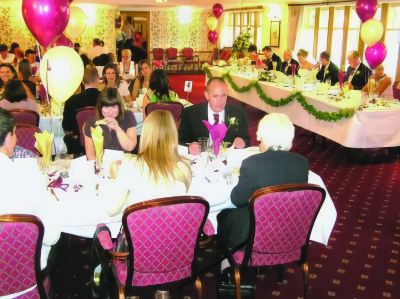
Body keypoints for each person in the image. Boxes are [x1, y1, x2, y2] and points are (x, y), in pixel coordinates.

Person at [217, 113, 309, 250]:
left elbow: (237, 199)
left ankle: (229, 262)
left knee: (223, 215)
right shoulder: (302, 163)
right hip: (291, 229)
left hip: (253, 233)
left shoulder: (252, 163)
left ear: (260, 135)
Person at [0, 108, 60, 270]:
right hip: (25, 275)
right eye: (14, 133)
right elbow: (52, 235)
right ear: (7, 138)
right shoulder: (29, 177)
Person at [106, 110, 191, 216]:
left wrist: (114, 178)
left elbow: (111, 211)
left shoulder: (130, 165)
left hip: (138, 231)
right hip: (174, 231)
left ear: (145, 134)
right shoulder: (184, 168)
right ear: (173, 134)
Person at [179, 77, 250, 154]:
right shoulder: (190, 113)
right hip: (201, 159)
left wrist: (243, 142)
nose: (220, 101)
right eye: (215, 96)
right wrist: (190, 147)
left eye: (223, 95)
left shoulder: (238, 112)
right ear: (207, 95)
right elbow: (181, 141)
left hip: (229, 159)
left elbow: (246, 139)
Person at [84, 88, 137, 159]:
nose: (110, 112)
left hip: (124, 163)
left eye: (114, 107)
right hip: (102, 165)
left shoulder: (128, 116)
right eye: (106, 107)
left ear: (119, 106)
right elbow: (90, 156)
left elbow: (130, 147)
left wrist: (117, 128)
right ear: (100, 107)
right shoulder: (92, 122)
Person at [62, 66, 100, 155]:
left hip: (79, 146)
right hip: (103, 143)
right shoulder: (106, 98)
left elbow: (66, 127)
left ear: (83, 81)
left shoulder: (71, 100)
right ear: (98, 79)